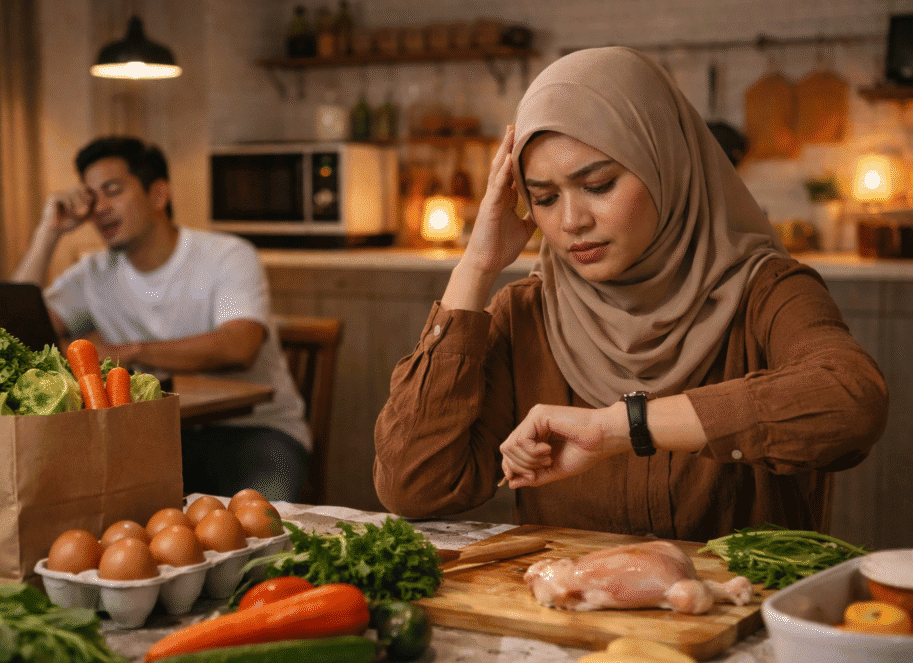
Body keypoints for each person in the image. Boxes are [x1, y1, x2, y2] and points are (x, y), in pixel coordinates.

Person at [373, 47, 888, 542]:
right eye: (545, 198)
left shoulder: (766, 292)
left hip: (736, 622)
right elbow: (413, 487)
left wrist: (622, 427)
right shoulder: (526, 314)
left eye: (598, 185)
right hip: (570, 622)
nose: (572, 221)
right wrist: (476, 263)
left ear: (666, 166)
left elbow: (851, 405)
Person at [12, 136, 311, 502]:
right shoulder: (93, 272)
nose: (99, 208)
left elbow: (239, 346)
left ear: (158, 195)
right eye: (92, 197)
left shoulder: (226, 255)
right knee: (75, 510)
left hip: (256, 431)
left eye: (113, 190)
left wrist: (130, 353)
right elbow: (14, 331)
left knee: (257, 526)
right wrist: (48, 232)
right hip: (155, 438)